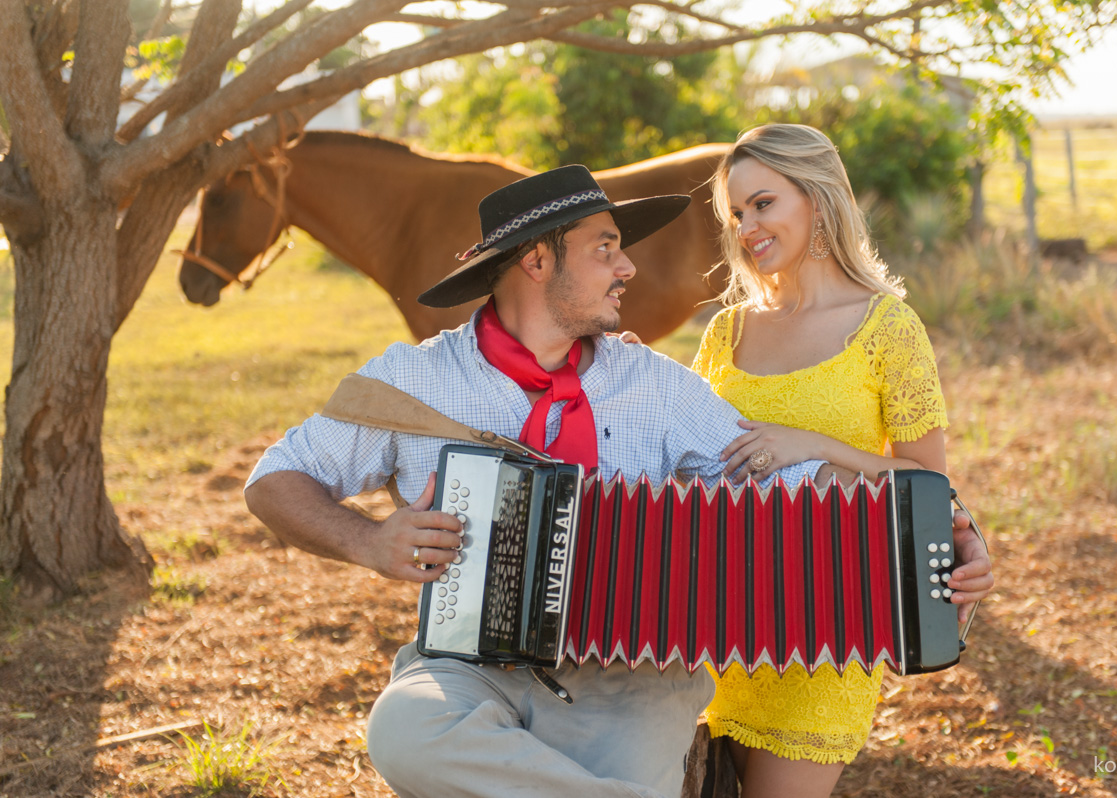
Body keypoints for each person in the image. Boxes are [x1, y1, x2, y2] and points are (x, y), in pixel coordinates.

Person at [243, 164, 993, 798]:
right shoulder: (413, 382)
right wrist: (369, 541)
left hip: (636, 678)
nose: (629, 267)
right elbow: (274, 479)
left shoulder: (657, 386)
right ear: (537, 262)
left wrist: (929, 533)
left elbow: (789, 485)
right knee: (404, 730)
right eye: (605, 248)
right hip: (467, 667)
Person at [689, 123, 971, 798]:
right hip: (712, 631)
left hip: (825, 639)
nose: (747, 228)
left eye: (763, 204)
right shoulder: (726, 331)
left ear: (816, 198)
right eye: (736, 213)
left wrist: (814, 446)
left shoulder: (888, 328)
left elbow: (928, 488)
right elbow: (684, 457)